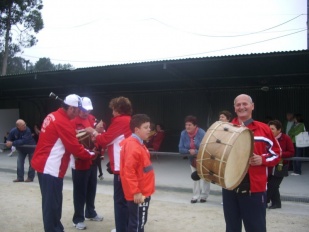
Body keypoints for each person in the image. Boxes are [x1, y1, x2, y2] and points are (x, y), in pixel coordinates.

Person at [31, 94, 96, 232]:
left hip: (44, 164)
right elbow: (74, 147)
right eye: (78, 110)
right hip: (51, 167)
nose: (79, 114)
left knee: (53, 201)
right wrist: (90, 154)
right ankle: (53, 229)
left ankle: (56, 227)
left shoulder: (52, 115)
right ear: (71, 108)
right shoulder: (63, 122)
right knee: (52, 203)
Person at [222, 94, 281, 232]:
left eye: (245, 104)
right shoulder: (226, 129)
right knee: (231, 228)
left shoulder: (264, 129)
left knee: (256, 228)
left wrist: (262, 159)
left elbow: (277, 154)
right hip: (229, 187)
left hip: (254, 189)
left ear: (252, 106)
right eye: (238, 105)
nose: (241, 107)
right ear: (234, 108)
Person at [85, 96, 132, 232]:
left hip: (121, 167)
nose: (112, 113)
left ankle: (122, 228)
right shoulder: (129, 120)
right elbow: (112, 137)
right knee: (127, 199)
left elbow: (105, 140)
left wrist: (93, 131)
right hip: (127, 164)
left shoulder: (120, 121)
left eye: (113, 110)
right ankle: (128, 226)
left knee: (120, 200)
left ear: (118, 109)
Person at [70, 97, 103, 230]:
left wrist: (98, 136)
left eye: (88, 110)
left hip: (92, 159)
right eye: (84, 110)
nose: (86, 113)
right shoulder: (72, 121)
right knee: (79, 191)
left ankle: (90, 211)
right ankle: (77, 218)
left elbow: (97, 132)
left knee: (91, 187)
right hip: (79, 161)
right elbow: (71, 140)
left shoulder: (91, 118)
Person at [120, 114, 155, 232]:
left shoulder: (138, 144)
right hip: (140, 193)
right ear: (137, 130)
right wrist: (136, 192)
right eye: (146, 127)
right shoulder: (133, 146)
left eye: (149, 127)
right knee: (138, 223)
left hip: (143, 190)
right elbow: (129, 171)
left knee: (139, 221)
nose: (149, 130)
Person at [178, 115, 210, 203]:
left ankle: (204, 196)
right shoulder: (183, 133)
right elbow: (180, 148)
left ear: (195, 126)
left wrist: (195, 151)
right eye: (186, 125)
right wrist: (189, 150)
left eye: (190, 125)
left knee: (205, 177)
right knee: (195, 177)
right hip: (192, 160)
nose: (187, 127)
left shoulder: (202, 133)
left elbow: (207, 147)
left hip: (203, 158)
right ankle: (195, 196)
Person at [267, 120, 294, 209]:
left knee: (272, 185)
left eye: (272, 129)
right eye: (269, 128)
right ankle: (276, 203)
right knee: (273, 186)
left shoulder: (286, 138)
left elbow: (291, 152)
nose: (270, 130)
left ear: (279, 130)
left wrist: (280, 154)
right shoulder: (268, 138)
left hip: (280, 166)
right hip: (270, 166)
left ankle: (264, 201)